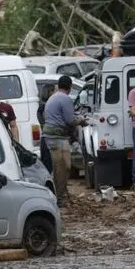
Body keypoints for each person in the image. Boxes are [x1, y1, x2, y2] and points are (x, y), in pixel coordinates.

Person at [43, 75, 86, 203]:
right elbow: (70, 120)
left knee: (59, 167)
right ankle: (60, 197)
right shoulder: (65, 98)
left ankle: (62, 193)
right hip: (57, 137)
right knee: (63, 167)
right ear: (70, 87)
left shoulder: (53, 97)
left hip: (50, 136)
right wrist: (82, 120)